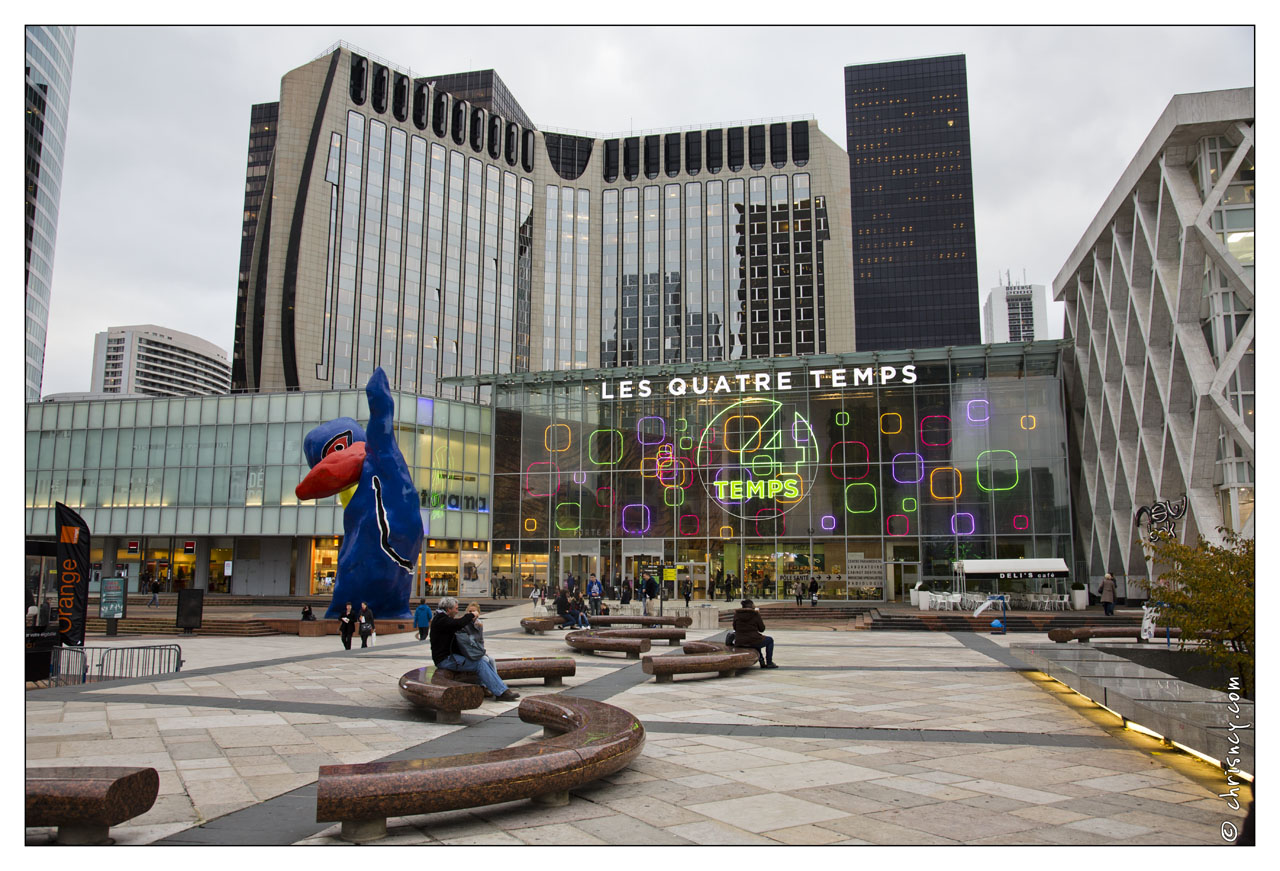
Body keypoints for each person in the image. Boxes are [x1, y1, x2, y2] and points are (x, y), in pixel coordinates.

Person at [429, 596, 518, 701]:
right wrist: (471, 615)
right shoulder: (441, 620)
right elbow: (458, 623)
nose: (457, 611)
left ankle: (501, 690)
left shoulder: (442, 618)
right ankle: (500, 692)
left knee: (484, 661)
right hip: (445, 660)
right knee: (479, 663)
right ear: (449, 609)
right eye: (456, 609)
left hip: (449, 657)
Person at [730, 599, 777, 668]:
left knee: (756, 639)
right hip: (753, 640)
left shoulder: (737, 614)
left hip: (740, 641)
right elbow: (762, 629)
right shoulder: (755, 614)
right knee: (769, 640)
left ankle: (761, 660)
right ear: (752, 606)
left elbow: (735, 627)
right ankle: (769, 662)